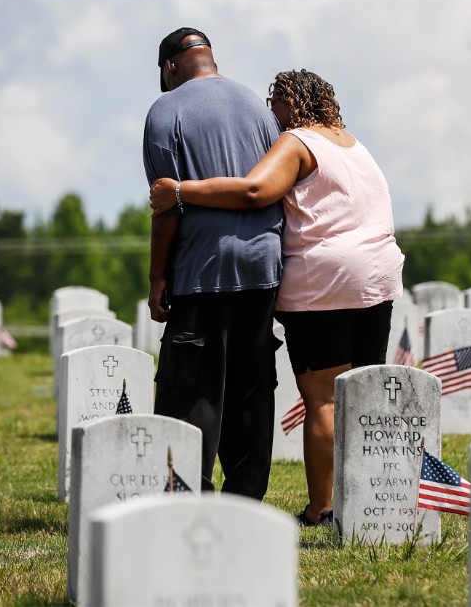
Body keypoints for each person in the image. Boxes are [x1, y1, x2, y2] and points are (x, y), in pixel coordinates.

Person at [150, 68, 404, 526]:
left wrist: (179, 191)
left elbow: (254, 190)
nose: (272, 117)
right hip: (380, 275)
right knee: (363, 398)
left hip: (325, 279)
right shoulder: (353, 143)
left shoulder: (298, 141)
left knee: (324, 399)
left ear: (292, 102)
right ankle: (372, 504)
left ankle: (321, 507)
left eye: (276, 105)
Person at [142, 27, 284, 501]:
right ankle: (245, 498)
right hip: (263, 265)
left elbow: (167, 204)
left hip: (202, 269)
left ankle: (190, 491)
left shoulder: (166, 110)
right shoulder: (257, 107)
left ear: (168, 68)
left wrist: (158, 275)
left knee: (193, 385)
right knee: (251, 383)